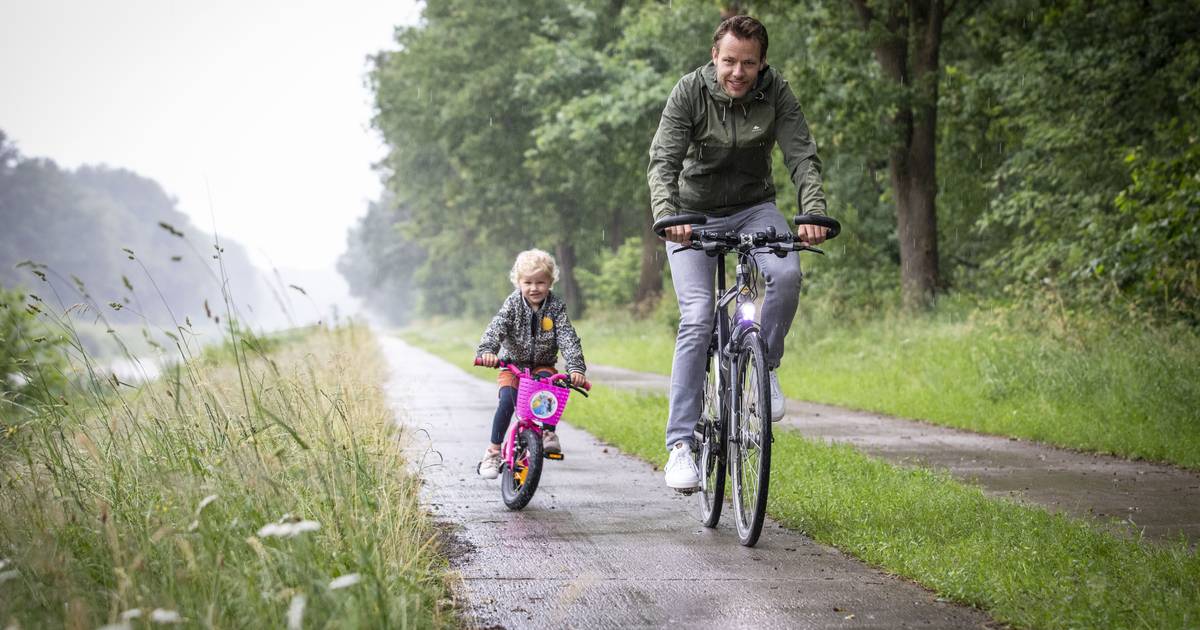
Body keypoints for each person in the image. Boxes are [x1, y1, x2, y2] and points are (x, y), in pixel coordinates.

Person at [646, 15, 830, 492]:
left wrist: (812, 211)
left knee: (785, 276)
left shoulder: (777, 91)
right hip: (692, 215)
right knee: (698, 316)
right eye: (729, 61)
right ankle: (680, 445)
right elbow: (663, 162)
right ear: (715, 56)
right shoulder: (689, 91)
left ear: (762, 62)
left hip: (754, 209)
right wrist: (670, 216)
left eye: (748, 63)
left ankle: (764, 363)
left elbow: (801, 156)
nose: (737, 72)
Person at [476, 249, 588, 479]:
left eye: (540, 282)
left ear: (550, 282)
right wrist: (488, 351)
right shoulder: (513, 304)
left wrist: (576, 368)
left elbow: (567, 338)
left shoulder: (556, 307)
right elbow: (496, 327)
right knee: (506, 402)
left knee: (549, 392)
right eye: (528, 282)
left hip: (543, 365)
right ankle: (493, 451)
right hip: (513, 364)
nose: (534, 288)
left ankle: (548, 434)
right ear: (518, 282)